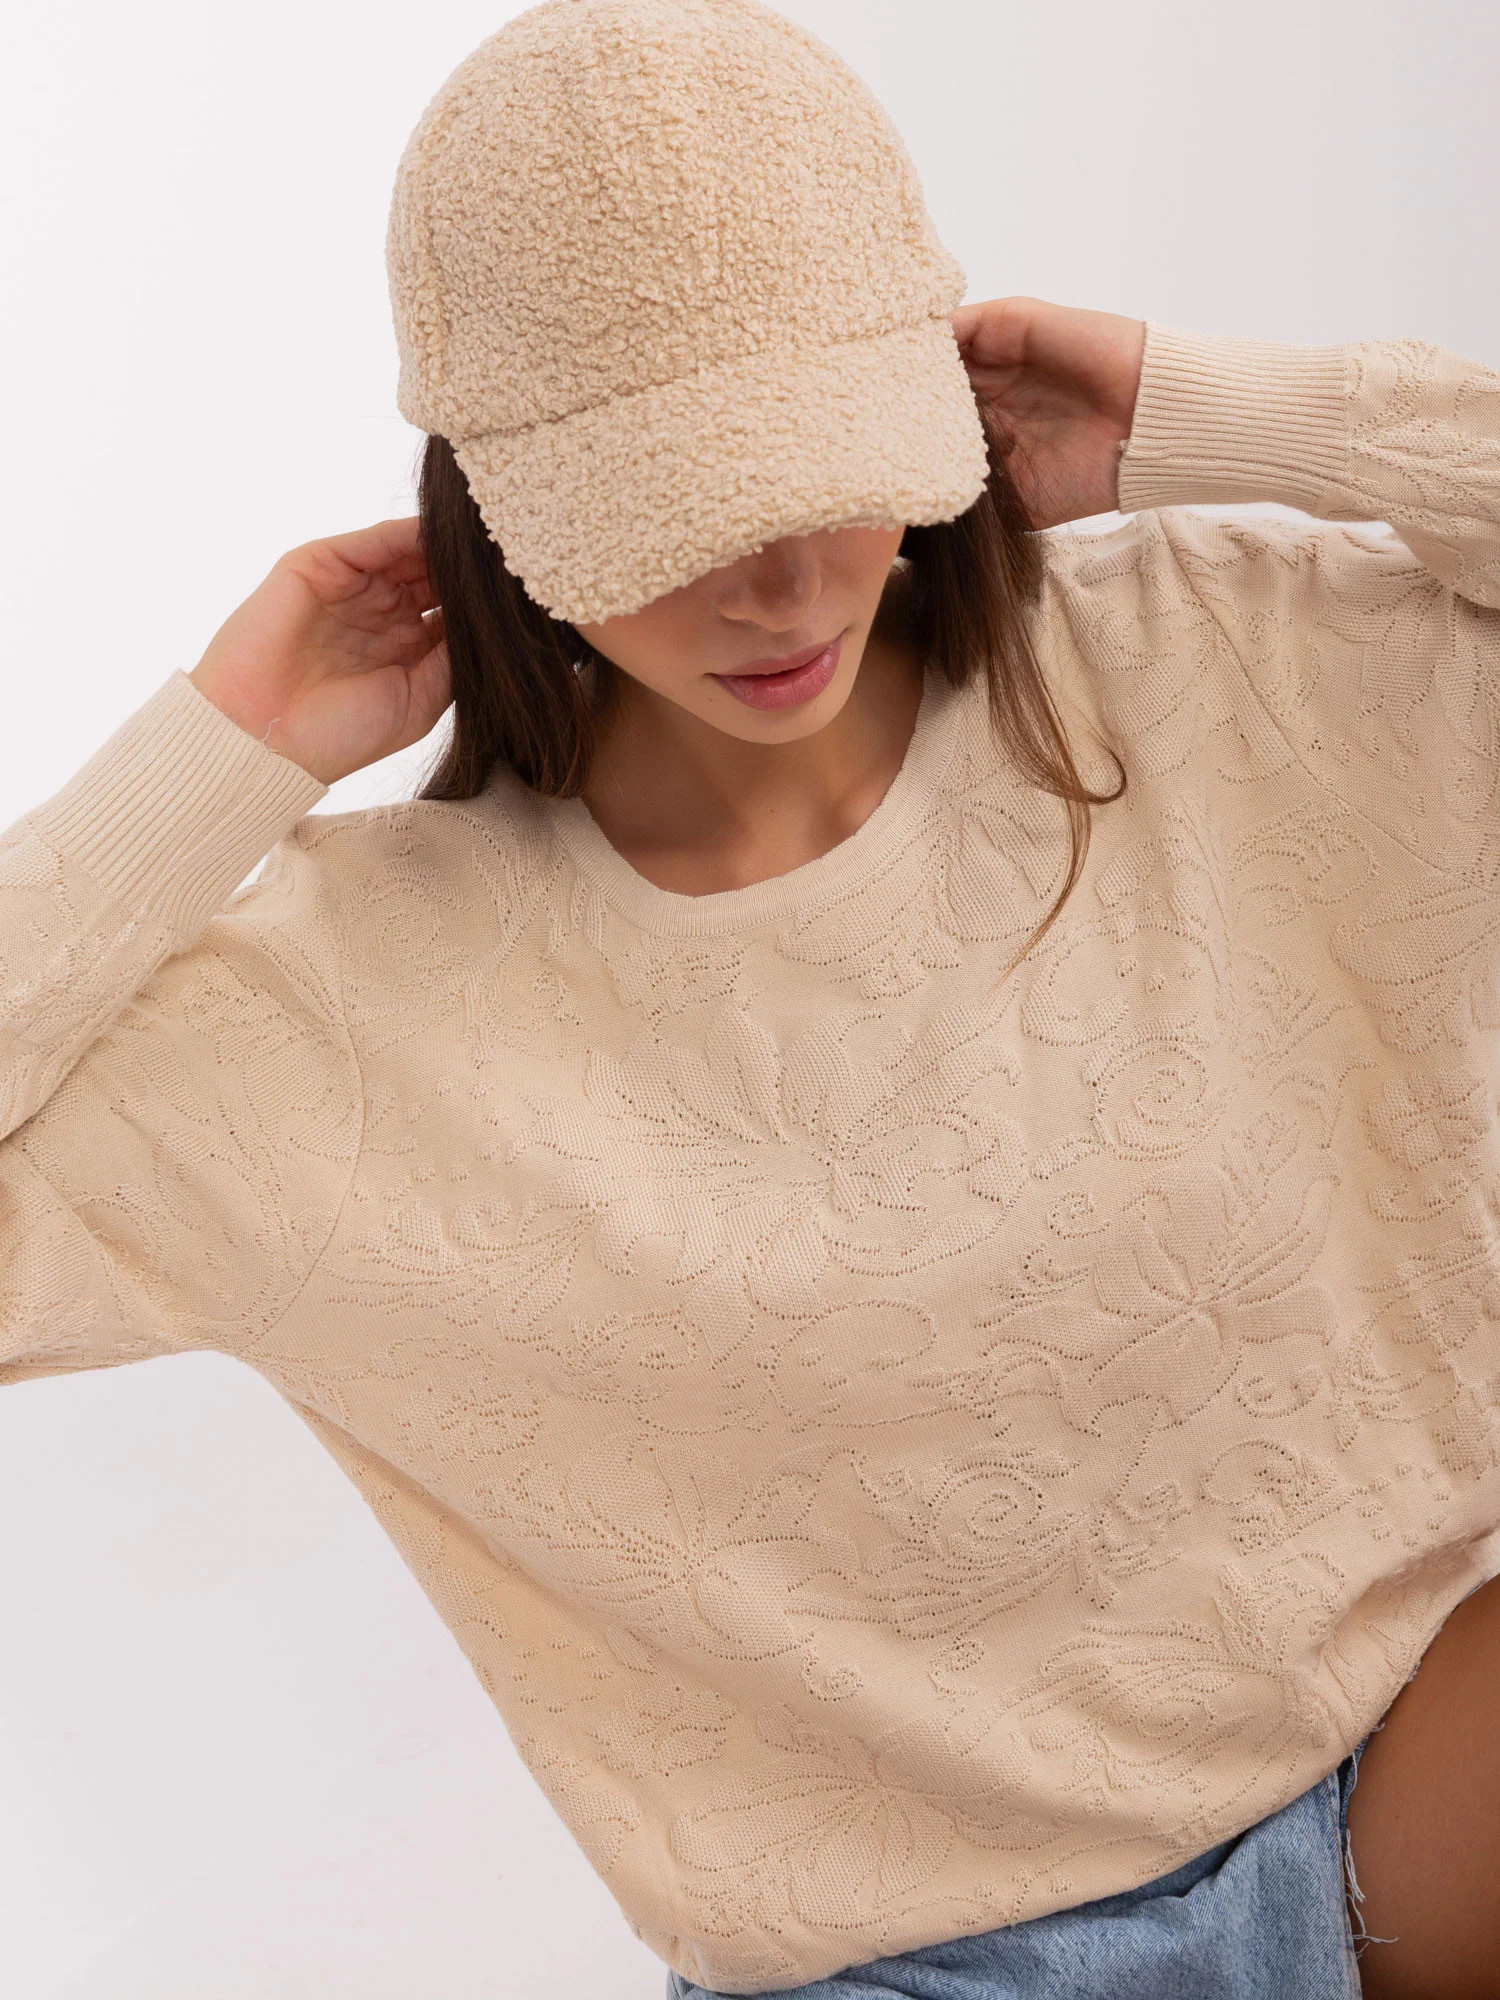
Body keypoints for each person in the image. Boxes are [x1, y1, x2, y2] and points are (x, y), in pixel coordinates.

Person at [3, 1, 1498, 1995]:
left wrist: (1224, 410)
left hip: (1423, 1773)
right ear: (497, 499)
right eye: (676, 512)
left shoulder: (1227, 655)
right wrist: (216, 755)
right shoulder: (331, 1012)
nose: (776, 585)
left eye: (823, 467)